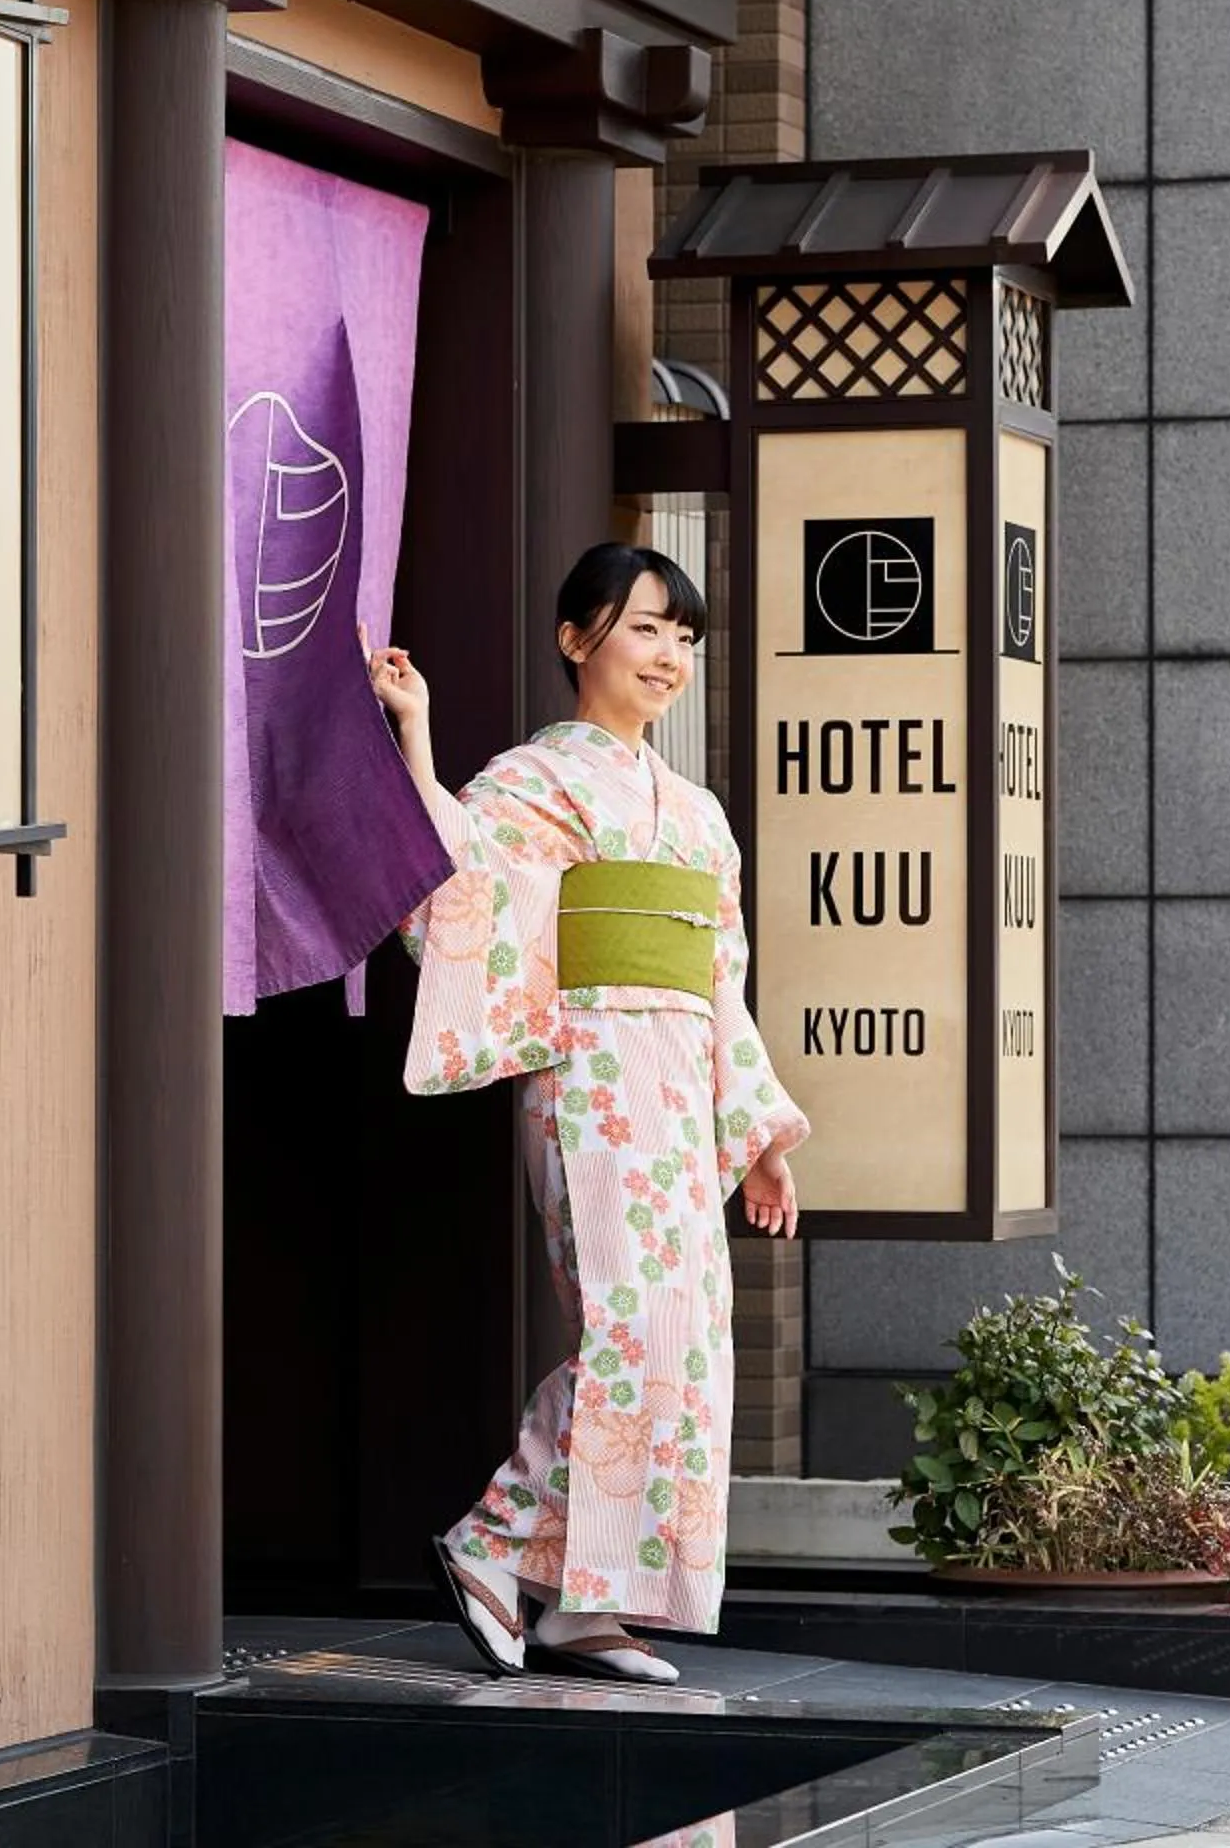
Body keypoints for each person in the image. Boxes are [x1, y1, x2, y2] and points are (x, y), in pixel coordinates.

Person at [366, 542, 804, 1687]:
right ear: (578, 640)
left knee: (690, 1344)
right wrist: (416, 735)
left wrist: (752, 1130)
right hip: (591, 1065)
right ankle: (494, 1543)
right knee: (629, 1328)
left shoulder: (700, 816)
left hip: (676, 1071)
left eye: (685, 638)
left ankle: (584, 1598)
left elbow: (722, 978)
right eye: (647, 627)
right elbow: (456, 878)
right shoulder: (536, 780)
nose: (670, 655)